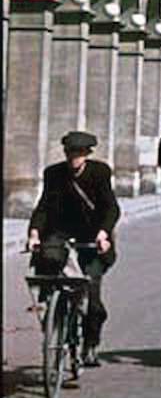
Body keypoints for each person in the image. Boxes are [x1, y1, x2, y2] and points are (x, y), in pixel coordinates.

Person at [26, 131, 120, 368]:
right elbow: (43, 207)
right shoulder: (54, 174)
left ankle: (90, 345)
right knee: (48, 258)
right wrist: (34, 233)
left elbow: (111, 208)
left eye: (78, 154)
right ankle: (53, 308)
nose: (73, 159)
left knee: (92, 299)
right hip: (63, 232)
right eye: (69, 154)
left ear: (87, 155)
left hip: (93, 237)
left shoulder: (99, 173)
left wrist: (103, 233)